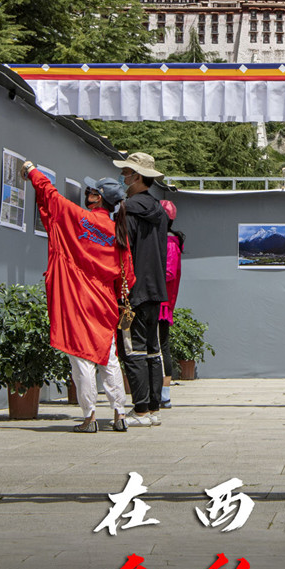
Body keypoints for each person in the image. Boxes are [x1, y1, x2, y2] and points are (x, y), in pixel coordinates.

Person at [21, 163, 135, 433]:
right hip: (105, 302)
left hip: (78, 297)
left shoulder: (80, 218)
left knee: (81, 357)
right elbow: (128, 275)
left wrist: (32, 170)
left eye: (91, 191)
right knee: (109, 357)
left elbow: (50, 196)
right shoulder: (118, 232)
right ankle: (119, 414)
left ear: (98, 198)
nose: (87, 193)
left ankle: (89, 416)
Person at [113, 152, 168, 427]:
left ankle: (141, 410)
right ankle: (154, 409)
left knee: (131, 348)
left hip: (131, 291)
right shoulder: (160, 210)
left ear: (137, 176)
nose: (123, 176)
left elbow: (123, 250)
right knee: (153, 348)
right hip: (155, 289)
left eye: (126, 172)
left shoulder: (127, 208)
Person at [158, 200, 184, 409]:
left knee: (160, 347)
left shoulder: (169, 244)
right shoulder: (166, 242)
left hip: (161, 304)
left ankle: (164, 394)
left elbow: (169, 273)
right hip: (159, 301)